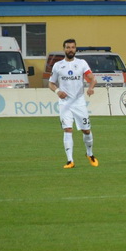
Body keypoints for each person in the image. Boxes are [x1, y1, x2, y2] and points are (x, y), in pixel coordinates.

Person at [48, 39, 98, 169]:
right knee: (67, 129)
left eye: (73, 47)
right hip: (65, 104)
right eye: (68, 47)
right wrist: (58, 91)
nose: (70, 49)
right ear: (64, 49)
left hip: (79, 102)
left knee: (86, 130)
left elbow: (92, 78)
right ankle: (70, 160)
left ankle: (90, 154)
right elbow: (51, 83)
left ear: (76, 49)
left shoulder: (81, 63)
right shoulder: (58, 65)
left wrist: (91, 87)